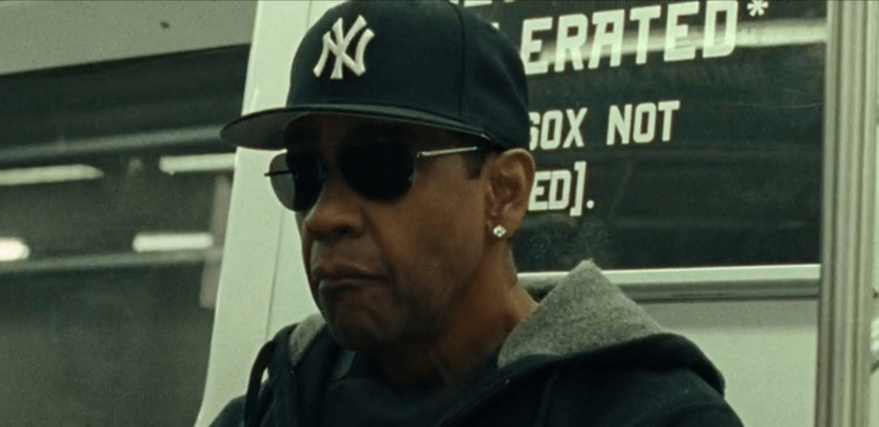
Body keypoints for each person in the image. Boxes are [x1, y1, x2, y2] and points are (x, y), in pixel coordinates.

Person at [213, 1, 744, 426]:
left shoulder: (650, 414)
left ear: (504, 193)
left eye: (380, 165)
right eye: (305, 174)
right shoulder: (273, 408)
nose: (323, 217)